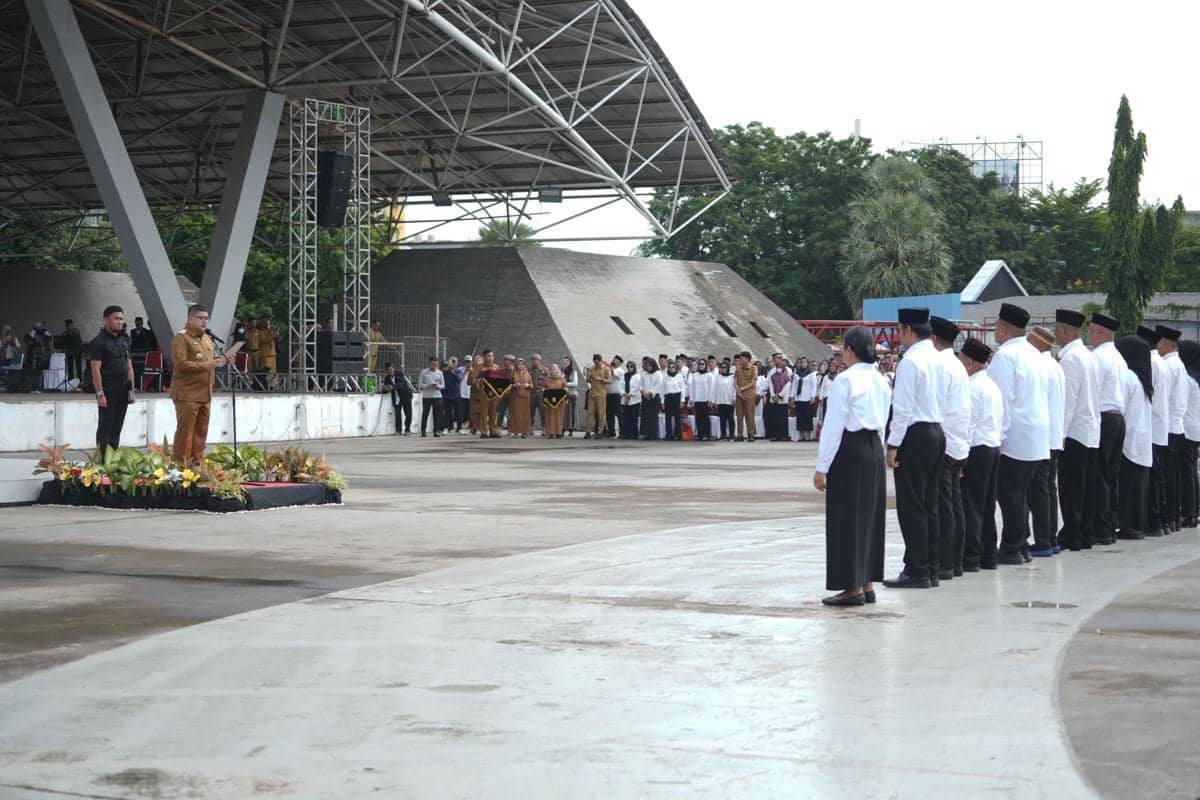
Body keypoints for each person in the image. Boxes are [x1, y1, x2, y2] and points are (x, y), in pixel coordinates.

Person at [813, 327, 890, 606]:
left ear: (850, 350)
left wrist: (822, 466)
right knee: (868, 517)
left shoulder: (845, 381)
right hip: (872, 449)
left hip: (850, 448)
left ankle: (851, 586)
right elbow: (883, 421)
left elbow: (833, 426)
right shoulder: (881, 381)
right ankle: (866, 581)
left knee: (846, 519)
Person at [882, 308, 946, 590]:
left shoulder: (911, 361)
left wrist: (893, 445)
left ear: (908, 330)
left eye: (899, 330)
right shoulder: (939, 358)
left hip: (916, 435)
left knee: (912, 506)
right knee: (930, 504)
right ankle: (931, 567)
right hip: (936, 432)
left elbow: (903, 409)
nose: (898, 336)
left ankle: (916, 569)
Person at [988, 303, 1050, 565]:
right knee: (1022, 492)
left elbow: (1003, 401)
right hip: (1036, 433)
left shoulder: (1006, 356)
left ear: (1002, 328)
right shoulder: (1034, 353)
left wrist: (998, 438)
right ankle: (1021, 543)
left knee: (1010, 493)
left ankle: (1013, 546)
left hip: (1016, 433)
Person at [1054, 309, 1100, 552]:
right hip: (1090, 430)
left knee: (1071, 487)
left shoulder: (1071, 359)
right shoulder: (1088, 355)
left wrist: (1058, 436)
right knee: (1086, 488)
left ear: (1064, 330)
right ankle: (1085, 532)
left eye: (1056, 329)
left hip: (1074, 432)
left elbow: (1067, 402)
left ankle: (1072, 533)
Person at [929, 317, 970, 579]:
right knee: (954, 505)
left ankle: (944, 563)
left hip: (944, 444)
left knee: (944, 507)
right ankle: (955, 561)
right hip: (959, 443)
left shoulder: (940, 365)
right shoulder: (956, 364)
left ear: (933, 338)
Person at [958, 338, 1003, 571]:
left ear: (969, 363)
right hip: (992, 447)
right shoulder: (992, 385)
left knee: (972, 505)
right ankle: (988, 554)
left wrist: (961, 458)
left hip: (976, 449)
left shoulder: (973, 387)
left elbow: (969, 425)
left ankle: (971, 556)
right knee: (986, 504)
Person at [169, 304, 226, 466]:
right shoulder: (181, 338)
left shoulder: (207, 339)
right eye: (200, 318)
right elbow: (181, 365)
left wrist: (221, 361)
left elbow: (209, 363)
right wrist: (205, 366)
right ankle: (181, 467)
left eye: (206, 318)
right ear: (190, 318)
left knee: (201, 432)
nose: (204, 321)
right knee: (185, 433)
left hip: (205, 393)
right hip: (187, 394)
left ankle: (196, 465)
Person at [1026, 325, 1065, 557]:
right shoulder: (1054, 365)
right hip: (1054, 435)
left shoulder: (1039, 364)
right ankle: (1049, 537)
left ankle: (1042, 540)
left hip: (1042, 437)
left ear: (1039, 344)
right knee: (1048, 489)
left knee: (1039, 491)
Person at [1089, 312, 1126, 546]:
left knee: (1100, 474)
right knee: (1111, 475)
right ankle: (1110, 523)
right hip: (1118, 418)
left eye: (1091, 329)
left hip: (1104, 417)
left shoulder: (1099, 357)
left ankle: (1100, 527)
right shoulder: (1117, 356)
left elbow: (1093, 392)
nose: (1088, 333)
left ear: (1101, 332)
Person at [1115, 336, 1153, 539]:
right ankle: (1137, 525)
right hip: (1142, 438)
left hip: (1129, 437)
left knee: (1128, 485)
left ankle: (1128, 526)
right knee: (1138, 485)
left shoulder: (1128, 377)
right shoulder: (1142, 380)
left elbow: (1119, 406)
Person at [89, 305, 136, 456]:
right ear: (106, 319)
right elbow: (95, 369)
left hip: (123, 391)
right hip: (108, 392)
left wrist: (131, 390)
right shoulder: (98, 342)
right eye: (116, 318)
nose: (119, 322)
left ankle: (112, 462)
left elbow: (129, 367)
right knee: (105, 429)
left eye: (121, 319)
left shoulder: (124, 340)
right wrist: (99, 393)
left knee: (117, 428)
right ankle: (101, 463)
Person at [1138, 326, 1171, 537]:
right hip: (1160, 425)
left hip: (1152, 425)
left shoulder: (1151, 363)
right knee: (1158, 476)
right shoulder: (1161, 362)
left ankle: (1155, 520)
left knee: (1153, 478)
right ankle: (1163, 520)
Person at [1156, 324, 1187, 532]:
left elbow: (1162, 398)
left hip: (1168, 427)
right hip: (1177, 426)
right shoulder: (1179, 365)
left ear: (1166, 343)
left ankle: (1168, 517)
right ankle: (1173, 518)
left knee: (1166, 477)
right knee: (1173, 475)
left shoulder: (1168, 366)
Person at [1177, 340, 1200, 528]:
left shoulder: (1187, 378)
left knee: (1186, 472)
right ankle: (1194, 510)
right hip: (1196, 429)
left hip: (1186, 428)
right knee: (1191, 471)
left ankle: (1187, 512)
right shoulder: (1197, 377)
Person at [478, 351, 511, 438]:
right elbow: (473, 379)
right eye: (489, 356)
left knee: (493, 413)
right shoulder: (479, 367)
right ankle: (484, 432)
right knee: (484, 413)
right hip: (484, 393)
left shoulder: (496, 367)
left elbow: (500, 379)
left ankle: (493, 431)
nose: (491, 357)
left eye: (492, 356)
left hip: (494, 393)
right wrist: (479, 381)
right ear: (484, 357)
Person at [764, 354, 792, 442]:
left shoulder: (788, 370)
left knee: (782, 418)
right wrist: (773, 395)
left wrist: (780, 395)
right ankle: (774, 435)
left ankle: (783, 435)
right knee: (774, 417)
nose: (777, 361)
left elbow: (788, 384)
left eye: (779, 359)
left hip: (783, 398)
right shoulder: (772, 371)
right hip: (774, 398)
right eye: (775, 359)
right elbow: (770, 384)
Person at [584, 354, 612, 439]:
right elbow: (588, 381)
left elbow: (609, 380)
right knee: (590, 412)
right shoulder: (592, 368)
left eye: (597, 362)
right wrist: (588, 375)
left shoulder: (606, 369)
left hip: (601, 393)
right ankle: (588, 431)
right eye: (594, 362)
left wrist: (601, 379)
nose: (596, 364)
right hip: (592, 393)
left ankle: (600, 431)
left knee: (601, 413)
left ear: (600, 361)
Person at [382, 363, 414, 434]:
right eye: (387, 370)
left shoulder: (399, 373)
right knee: (397, 414)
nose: (389, 371)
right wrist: (384, 389)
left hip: (405, 396)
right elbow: (386, 388)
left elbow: (400, 384)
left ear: (393, 368)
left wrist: (392, 387)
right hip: (396, 398)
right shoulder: (387, 378)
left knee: (408, 414)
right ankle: (398, 430)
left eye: (390, 369)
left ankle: (407, 429)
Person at [733, 351, 757, 442]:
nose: (740, 360)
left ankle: (751, 435)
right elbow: (735, 381)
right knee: (739, 415)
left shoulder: (753, 368)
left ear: (747, 359)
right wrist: (738, 391)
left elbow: (753, 382)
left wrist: (742, 388)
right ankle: (740, 435)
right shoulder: (738, 369)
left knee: (749, 415)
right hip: (739, 395)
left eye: (742, 358)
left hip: (749, 395)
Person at [689, 357, 715, 441]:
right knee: (698, 418)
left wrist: (710, 400)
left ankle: (706, 435)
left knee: (705, 418)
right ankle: (700, 434)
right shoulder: (694, 375)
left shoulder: (709, 375)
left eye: (702, 364)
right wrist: (692, 399)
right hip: (697, 399)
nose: (700, 366)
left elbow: (712, 388)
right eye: (699, 364)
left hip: (705, 400)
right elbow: (692, 388)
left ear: (705, 365)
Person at [418, 356, 445, 437]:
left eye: (436, 365)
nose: (434, 366)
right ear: (429, 363)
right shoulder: (424, 372)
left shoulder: (440, 373)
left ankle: (436, 431)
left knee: (436, 414)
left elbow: (443, 385)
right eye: (433, 364)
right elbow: (420, 384)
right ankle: (423, 431)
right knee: (425, 413)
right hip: (427, 396)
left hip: (437, 396)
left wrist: (438, 386)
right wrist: (428, 385)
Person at [509, 357, 533, 437]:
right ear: (516, 365)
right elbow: (508, 385)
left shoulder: (527, 374)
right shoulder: (512, 373)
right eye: (519, 364)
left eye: (522, 364)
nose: (520, 366)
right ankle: (515, 432)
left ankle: (524, 432)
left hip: (525, 397)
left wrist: (528, 385)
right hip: (515, 397)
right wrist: (514, 385)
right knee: (515, 414)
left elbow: (532, 385)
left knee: (525, 415)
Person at [542, 365, 569, 438]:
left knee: (559, 417)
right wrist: (543, 390)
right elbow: (543, 387)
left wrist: (566, 389)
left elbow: (565, 387)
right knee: (550, 417)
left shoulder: (562, 379)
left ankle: (559, 433)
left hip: (560, 401)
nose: (552, 370)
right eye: (551, 369)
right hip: (549, 401)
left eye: (554, 369)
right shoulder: (546, 379)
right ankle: (550, 433)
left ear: (557, 370)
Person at [661, 360, 685, 440]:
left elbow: (682, 389)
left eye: (673, 367)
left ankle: (678, 435)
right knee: (668, 417)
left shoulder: (679, 376)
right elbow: (663, 390)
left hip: (677, 397)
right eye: (670, 367)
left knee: (677, 417)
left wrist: (682, 400)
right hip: (668, 397)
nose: (671, 369)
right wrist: (662, 402)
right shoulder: (665, 377)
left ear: (676, 368)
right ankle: (669, 435)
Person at [713, 360, 736, 441]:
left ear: (728, 368)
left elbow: (734, 389)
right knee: (722, 419)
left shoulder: (732, 377)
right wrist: (714, 401)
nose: (723, 369)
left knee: (730, 419)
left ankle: (732, 435)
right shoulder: (717, 377)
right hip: (720, 401)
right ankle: (723, 435)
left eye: (725, 367)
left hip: (729, 401)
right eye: (721, 367)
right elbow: (715, 389)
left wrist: (734, 398)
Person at [793, 357, 815, 441]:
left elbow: (814, 386)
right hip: (799, 398)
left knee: (807, 416)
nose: (803, 364)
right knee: (800, 416)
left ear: (807, 363)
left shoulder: (811, 374)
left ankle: (807, 434)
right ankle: (801, 434)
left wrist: (812, 396)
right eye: (802, 362)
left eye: (805, 362)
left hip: (807, 398)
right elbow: (794, 386)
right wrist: (792, 396)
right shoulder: (796, 374)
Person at [620, 360, 641, 440]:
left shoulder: (637, 376)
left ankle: (634, 434)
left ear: (634, 367)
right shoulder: (624, 376)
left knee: (633, 418)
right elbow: (621, 385)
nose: (629, 368)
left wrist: (630, 394)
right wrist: (624, 393)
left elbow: (636, 387)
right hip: (625, 399)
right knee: (626, 418)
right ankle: (627, 433)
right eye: (628, 367)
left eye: (631, 366)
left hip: (634, 400)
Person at [528, 354, 549, 433]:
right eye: (532, 360)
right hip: (531, 393)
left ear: (540, 361)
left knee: (543, 412)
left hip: (541, 393)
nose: (534, 361)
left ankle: (544, 428)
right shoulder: (529, 370)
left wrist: (546, 389)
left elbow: (549, 381)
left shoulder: (545, 370)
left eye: (535, 360)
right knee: (530, 412)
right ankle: (531, 428)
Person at [605, 356, 625, 438]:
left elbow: (613, 373)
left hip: (617, 396)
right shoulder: (609, 369)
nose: (613, 361)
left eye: (615, 361)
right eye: (613, 360)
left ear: (619, 363)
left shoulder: (620, 371)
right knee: (609, 415)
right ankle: (611, 432)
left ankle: (623, 432)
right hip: (608, 395)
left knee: (619, 415)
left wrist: (608, 366)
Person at [441, 358, 461, 433]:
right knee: (447, 412)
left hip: (456, 395)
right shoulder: (443, 373)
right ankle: (446, 427)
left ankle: (459, 428)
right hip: (447, 395)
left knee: (458, 412)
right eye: (447, 365)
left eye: (449, 365)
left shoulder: (456, 371)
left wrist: (453, 372)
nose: (448, 367)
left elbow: (459, 379)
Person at [59, 319, 83, 383]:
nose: (70, 326)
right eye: (69, 325)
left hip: (78, 352)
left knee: (79, 367)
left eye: (71, 325)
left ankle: (79, 381)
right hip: (70, 352)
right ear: (66, 326)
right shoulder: (65, 333)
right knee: (70, 367)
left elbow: (80, 341)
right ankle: (71, 381)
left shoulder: (76, 331)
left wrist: (82, 350)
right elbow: (63, 343)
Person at [561, 357, 579, 436]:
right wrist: (562, 371)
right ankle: (563, 428)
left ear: (570, 363)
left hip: (572, 393)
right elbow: (559, 381)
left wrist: (565, 384)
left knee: (571, 411)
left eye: (567, 361)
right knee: (563, 411)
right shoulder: (561, 371)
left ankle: (571, 429)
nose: (565, 362)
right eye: (564, 361)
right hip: (562, 393)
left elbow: (575, 383)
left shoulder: (573, 371)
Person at [458, 355, 474, 434]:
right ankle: (460, 427)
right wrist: (465, 372)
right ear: (464, 362)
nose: (468, 364)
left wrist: (470, 371)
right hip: (462, 394)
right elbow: (458, 380)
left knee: (470, 412)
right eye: (467, 362)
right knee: (461, 412)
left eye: (469, 362)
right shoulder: (460, 369)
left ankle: (472, 427)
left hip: (470, 394)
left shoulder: (473, 370)